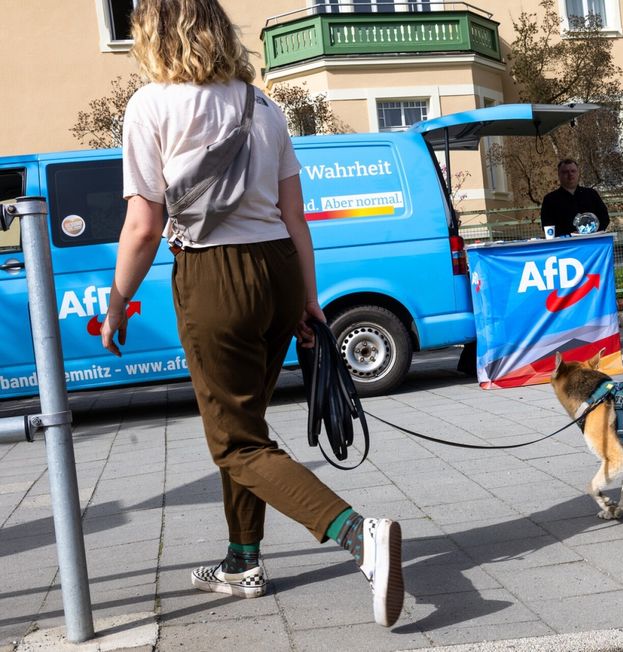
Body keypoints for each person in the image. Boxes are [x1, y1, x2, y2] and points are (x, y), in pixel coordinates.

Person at [100, 0, 403, 628]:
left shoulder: (152, 105)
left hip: (215, 274)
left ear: (156, 35)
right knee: (248, 422)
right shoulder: (263, 106)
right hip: (279, 271)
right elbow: (297, 218)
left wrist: (116, 302)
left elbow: (143, 224)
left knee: (235, 440)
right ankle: (243, 560)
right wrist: (309, 301)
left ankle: (356, 533)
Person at [540, 158, 610, 237]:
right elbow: (547, 226)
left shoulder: (591, 194)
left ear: (578, 173)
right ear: (559, 175)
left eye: (573, 171)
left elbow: (604, 218)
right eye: (565, 172)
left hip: (592, 241)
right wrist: (571, 234)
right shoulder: (550, 199)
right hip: (566, 245)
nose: (570, 174)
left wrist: (592, 232)